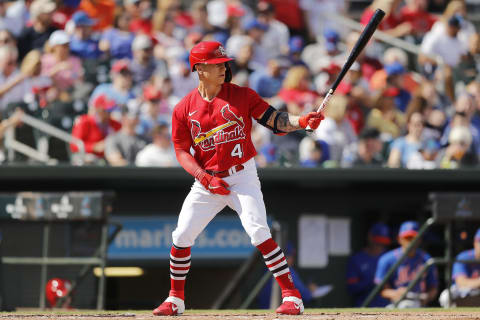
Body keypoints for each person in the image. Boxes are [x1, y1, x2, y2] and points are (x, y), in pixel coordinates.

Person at [152, 41, 324, 316]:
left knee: (259, 231)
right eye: (216, 65)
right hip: (207, 179)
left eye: (224, 64)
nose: (223, 68)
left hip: (241, 175)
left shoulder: (241, 95)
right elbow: (182, 151)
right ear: (199, 69)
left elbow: (274, 120)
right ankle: (175, 299)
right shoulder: (183, 108)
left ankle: (292, 297)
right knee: (181, 235)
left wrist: (302, 121)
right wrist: (203, 177)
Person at [374, 221, 439, 308]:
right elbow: (382, 290)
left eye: (413, 238)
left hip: (418, 301)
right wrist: (396, 293)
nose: (410, 241)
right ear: (399, 239)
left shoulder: (426, 259)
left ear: (419, 239)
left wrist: (427, 297)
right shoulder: (387, 259)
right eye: (407, 238)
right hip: (394, 304)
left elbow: (433, 288)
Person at [346, 223, 391, 307]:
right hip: (364, 306)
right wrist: (374, 281)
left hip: (387, 307)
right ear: (370, 237)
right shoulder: (357, 259)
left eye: (382, 243)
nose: (380, 246)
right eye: (377, 242)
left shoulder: (389, 258)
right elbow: (352, 288)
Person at [70, 94, 121, 161]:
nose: (109, 113)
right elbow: (74, 146)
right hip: (88, 157)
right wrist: (94, 147)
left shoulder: (115, 124)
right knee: (90, 158)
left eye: (110, 110)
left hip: (110, 156)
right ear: (98, 110)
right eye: (106, 110)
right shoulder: (85, 122)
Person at [439, 228, 480, 307]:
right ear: (475, 242)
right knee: (446, 296)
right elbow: (461, 282)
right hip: (468, 293)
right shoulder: (464, 257)